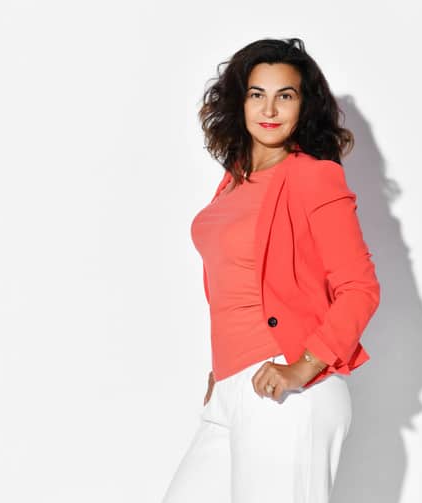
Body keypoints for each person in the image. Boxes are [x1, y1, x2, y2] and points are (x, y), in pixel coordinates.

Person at [161, 38, 380, 503]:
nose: (270, 108)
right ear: (239, 101)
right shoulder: (233, 179)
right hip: (231, 387)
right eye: (257, 93)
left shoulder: (312, 176)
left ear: (305, 105)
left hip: (285, 392)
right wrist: (222, 370)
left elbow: (359, 288)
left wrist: (303, 366)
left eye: (286, 95)